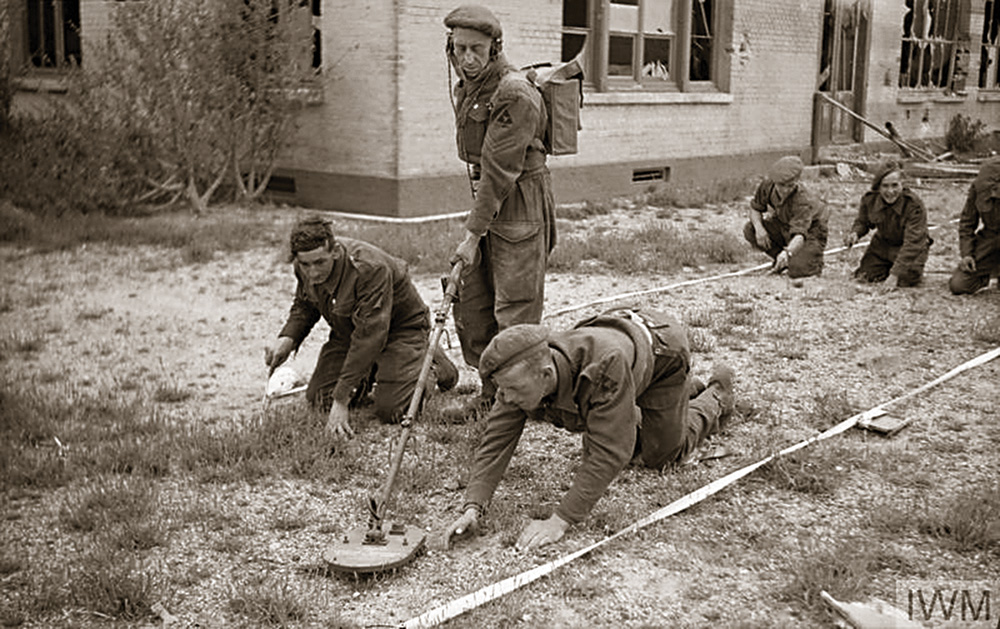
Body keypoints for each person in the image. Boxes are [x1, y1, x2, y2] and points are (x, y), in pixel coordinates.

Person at [438, 309, 736, 552]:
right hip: (619, 343)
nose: (507, 398)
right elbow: (496, 440)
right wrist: (473, 506)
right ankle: (674, 402)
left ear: (546, 375)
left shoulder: (603, 368)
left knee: (662, 455)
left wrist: (560, 520)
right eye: (504, 390)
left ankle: (716, 397)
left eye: (513, 390)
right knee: (618, 427)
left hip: (663, 354)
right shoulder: (517, 374)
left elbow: (610, 452)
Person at [444, 4, 556, 415]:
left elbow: (500, 170)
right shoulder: (467, 88)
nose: (467, 59)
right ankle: (493, 393)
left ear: (495, 49)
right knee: (474, 296)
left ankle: (518, 402)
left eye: (477, 49)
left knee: (515, 304)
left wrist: (471, 236)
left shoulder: (514, 93)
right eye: (460, 49)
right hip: (489, 198)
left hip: (519, 200)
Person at [264, 217, 458, 438]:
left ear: (335, 251)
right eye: (306, 265)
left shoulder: (370, 268)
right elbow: (305, 304)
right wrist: (288, 339)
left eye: (319, 263)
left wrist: (342, 399)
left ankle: (433, 364)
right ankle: (376, 369)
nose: (313, 272)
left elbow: (371, 336)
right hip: (349, 333)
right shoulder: (305, 265)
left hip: (399, 331)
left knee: (393, 409)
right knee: (320, 398)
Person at [843, 159, 932, 287]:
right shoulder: (870, 200)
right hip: (882, 246)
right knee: (866, 276)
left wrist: (895, 274)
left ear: (902, 184)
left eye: (895, 185)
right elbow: (863, 221)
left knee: (907, 279)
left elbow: (913, 243)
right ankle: (888, 268)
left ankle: (894, 270)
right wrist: (855, 233)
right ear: (878, 186)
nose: (890, 191)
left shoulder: (913, 205)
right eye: (885, 186)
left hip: (909, 249)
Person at [743, 155, 828, 277]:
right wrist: (759, 228)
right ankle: (782, 260)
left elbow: (800, 235)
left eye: (790, 186)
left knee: (798, 271)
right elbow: (755, 208)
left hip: (811, 230)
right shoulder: (767, 185)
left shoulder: (803, 199)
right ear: (774, 181)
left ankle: (811, 263)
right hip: (784, 223)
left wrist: (787, 253)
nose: (785, 190)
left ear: (797, 181)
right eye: (781, 185)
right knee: (750, 229)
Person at [949, 156, 1000, 295]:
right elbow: (967, 223)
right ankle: (990, 274)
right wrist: (967, 254)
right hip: (990, 240)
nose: (993, 194)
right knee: (958, 284)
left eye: (996, 189)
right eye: (990, 189)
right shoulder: (978, 188)